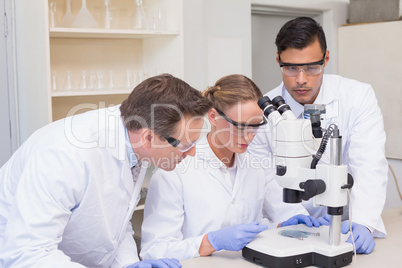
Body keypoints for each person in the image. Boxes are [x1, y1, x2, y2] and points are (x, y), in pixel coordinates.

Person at [0, 74, 212, 267]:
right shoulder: (65, 154)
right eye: (185, 145)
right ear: (148, 137)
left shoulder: (137, 139)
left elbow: (117, 224)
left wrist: (128, 264)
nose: (191, 153)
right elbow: (28, 254)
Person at [140, 74, 320, 261]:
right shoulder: (175, 171)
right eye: (241, 126)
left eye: (256, 126)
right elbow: (154, 250)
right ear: (213, 116)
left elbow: (265, 223)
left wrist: (285, 225)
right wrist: (210, 242)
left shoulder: (257, 165)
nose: (250, 137)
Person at [248, 17, 388, 254]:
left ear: (326, 59)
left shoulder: (357, 96)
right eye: (291, 67)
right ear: (278, 60)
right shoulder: (262, 111)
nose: (301, 79)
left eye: (312, 67)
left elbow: (369, 164)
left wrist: (362, 222)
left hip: (345, 223)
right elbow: (264, 174)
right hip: (290, 224)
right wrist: (293, 215)